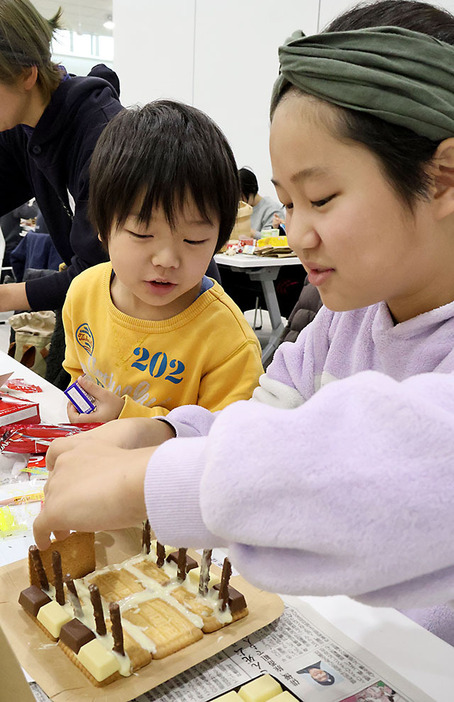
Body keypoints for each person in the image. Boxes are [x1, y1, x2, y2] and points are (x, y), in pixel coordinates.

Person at [34, 0, 454, 647]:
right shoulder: (343, 322)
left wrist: (145, 481)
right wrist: (155, 432)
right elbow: (259, 424)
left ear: (443, 178)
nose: (292, 229)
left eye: (320, 198)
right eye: (286, 201)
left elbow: (397, 468)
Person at [62, 100, 263, 423]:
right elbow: (77, 370)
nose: (167, 260)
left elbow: (225, 443)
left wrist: (124, 417)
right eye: (142, 233)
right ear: (102, 227)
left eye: (194, 240)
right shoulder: (83, 294)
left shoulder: (227, 340)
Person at [0, 0, 124, 316]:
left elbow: (101, 270)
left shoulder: (102, 136)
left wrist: (4, 297)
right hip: (95, 306)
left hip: (162, 317)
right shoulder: (22, 126)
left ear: (27, 75)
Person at [239, 166, 284, 237]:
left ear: (251, 190)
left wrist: (252, 233)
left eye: (241, 196)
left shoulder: (271, 209)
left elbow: (273, 238)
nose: (239, 201)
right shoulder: (242, 209)